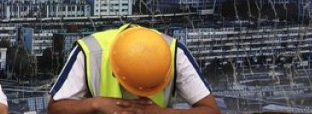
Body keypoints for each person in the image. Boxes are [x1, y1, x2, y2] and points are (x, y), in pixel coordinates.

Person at [47, 24, 220, 114]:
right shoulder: (90, 52)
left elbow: (211, 110)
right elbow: (55, 109)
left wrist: (161, 113)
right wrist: (96, 104)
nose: (139, 95)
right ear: (115, 73)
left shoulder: (175, 54)